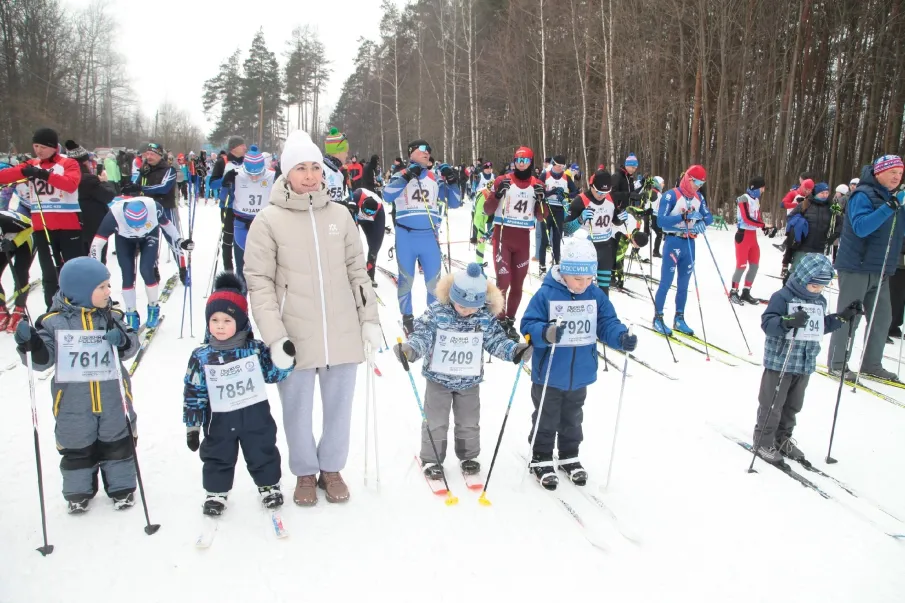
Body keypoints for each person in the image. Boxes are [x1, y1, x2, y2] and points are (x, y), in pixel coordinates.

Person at [244, 130, 383, 506]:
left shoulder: (339, 214)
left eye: (315, 168)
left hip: (341, 328)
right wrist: (274, 337)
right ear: (286, 171)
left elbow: (358, 269)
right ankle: (305, 471)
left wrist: (369, 318)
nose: (309, 175)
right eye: (300, 168)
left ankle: (332, 467)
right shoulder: (268, 220)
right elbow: (260, 284)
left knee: (340, 406)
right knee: (297, 409)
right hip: (295, 333)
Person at [13, 256, 140, 513]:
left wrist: (122, 341)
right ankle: (78, 492)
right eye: (102, 287)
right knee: (76, 445)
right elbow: (43, 361)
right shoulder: (53, 322)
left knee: (117, 442)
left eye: (108, 285)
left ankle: (122, 488)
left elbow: (131, 346)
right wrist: (31, 344)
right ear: (82, 290)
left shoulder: (112, 316)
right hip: (72, 401)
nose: (108, 291)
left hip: (112, 397)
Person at [519, 235, 637, 490]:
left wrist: (621, 336)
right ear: (564, 272)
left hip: (580, 370)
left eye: (588, 279)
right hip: (550, 371)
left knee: (573, 416)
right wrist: (546, 333)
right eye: (578, 279)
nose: (583, 284)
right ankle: (541, 456)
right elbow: (527, 325)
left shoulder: (594, 295)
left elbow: (606, 322)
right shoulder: (547, 294)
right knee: (546, 415)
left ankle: (569, 454)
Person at [393, 263, 531, 480]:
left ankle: (469, 456)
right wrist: (411, 349)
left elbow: (496, 340)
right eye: (461, 305)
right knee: (436, 421)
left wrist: (514, 351)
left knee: (468, 421)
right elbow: (423, 335)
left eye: (471, 307)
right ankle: (432, 459)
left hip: (469, 381)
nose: (466, 311)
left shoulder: (484, 317)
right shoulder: (437, 312)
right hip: (438, 380)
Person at [182, 272, 295, 516]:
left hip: (255, 416)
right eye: (214, 320)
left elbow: (272, 375)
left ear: (241, 321)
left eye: (227, 320)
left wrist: (284, 360)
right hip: (219, 420)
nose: (220, 325)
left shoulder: (254, 350)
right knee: (217, 455)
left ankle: (269, 486)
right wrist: (193, 426)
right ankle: (216, 492)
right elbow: (194, 392)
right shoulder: (201, 356)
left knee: (262, 450)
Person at [753, 254, 862, 464]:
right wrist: (788, 321)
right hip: (780, 362)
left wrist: (841, 317)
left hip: (804, 363)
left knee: (793, 405)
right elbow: (768, 324)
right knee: (772, 404)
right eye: (813, 286)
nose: (817, 290)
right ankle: (763, 440)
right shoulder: (783, 297)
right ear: (802, 279)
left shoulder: (819, 301)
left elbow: (818, 326)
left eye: (821, 287)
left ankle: (782, 438)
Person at [827, 155, 905, 381]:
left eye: (900, 174)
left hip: (881, 269)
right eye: (893, 173)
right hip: (856, 266)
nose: (897, 178)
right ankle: (837, 363)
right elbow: (861, 227)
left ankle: (872, 364)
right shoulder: (862, 194)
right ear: (879, 172)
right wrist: (890, 207)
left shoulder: (894, 199)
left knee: (882, 318)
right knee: (849, 316)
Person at [382, 139, 462, 335]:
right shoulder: (400, 174)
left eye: (429, 150)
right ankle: (407, 318)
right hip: (406, 236)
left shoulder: (435, 178)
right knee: (406, 280)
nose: (428, 152)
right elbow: (387, 195)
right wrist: (407, 176)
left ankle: (432, 318)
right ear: (411, 153)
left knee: (434, 284)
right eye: (423, 149)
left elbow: (455, 202)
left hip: (429, 237)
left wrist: (453, 182)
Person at [0, 127, 84, 309]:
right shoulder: (31, 164)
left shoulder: (68, 163)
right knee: (48, 273)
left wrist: (43, 175)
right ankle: (52, 311)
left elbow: (70, 184)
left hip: (68, 226)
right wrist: (24, 172)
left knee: (72, 270)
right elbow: (4, 177)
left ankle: (77, 308)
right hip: (42, 228)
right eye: (36, 146)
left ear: (54, 147)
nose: (39, 150)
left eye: (43, 147)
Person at [90, 197, 192, 330]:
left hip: (149, 236)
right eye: (134, 226)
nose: (137, 229)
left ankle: (153, 308)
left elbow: (167, 225)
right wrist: (95, 269)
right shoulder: (114, 215)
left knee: (146, 269)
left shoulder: (154, 208)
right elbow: (97, 243)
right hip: (124, 239)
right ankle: (131, 313)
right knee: (127, 275)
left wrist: (180, 240)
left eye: (141, 224)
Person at [482, 146, 547, 341]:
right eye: (518, 160)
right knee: (504, 281)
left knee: (518, 284)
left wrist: (542, 199)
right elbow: (487, 210)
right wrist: (497, 195)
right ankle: (498, 319)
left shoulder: (537, 183)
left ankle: (509, 321)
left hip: (522, 240)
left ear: (531, 162)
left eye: (525, 161)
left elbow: (541, 216)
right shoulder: (503, 180)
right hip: (502, 236)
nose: (521, 164)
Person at [652, 165, 713, 336]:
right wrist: (683, 217)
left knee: (684, 284)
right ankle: (658, 317)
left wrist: (702, 221)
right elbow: (661, 221)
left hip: (689, 243)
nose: (698, 186)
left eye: (702, 183)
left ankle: (679, 318)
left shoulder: (698, 197)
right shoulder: (671, 195)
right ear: (688, 178)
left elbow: (709, 216)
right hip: (673, 241)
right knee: (666, 282)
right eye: (696, 182)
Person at [564, 169, 632, 295]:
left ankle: (602, 313)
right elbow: (566, 229)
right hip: (585, 249)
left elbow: (614, 220)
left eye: (606, 192)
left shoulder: (611, 198)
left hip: (605, 248)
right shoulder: (580, 201)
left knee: (604, 289)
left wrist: (620, 219)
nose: (602, 195)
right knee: (582, 288)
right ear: (592, 186)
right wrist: (580, 219)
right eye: (599, 191)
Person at [230, 145, 274, 280]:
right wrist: (224, 181)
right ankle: (241, 296)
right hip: (241, 225)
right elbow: (215, 184)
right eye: (251, 174)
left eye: (258, 174)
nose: (254, 178)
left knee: (264, 268)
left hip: (263, 224)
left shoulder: (272, 175)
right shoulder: (236, 174)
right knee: (242, 269)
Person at [780, 182, 838, 281]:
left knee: (813, 274)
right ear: (816, 193)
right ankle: (786, 290)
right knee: (795, 271)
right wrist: (799, 224)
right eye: (822, 193)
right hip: (803, 244)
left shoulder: (833, 206)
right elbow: (790, 218)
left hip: (820, 246)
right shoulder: (805, 203)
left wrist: (836, 233)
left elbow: (842, 220)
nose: (825, 195)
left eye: (826, 192)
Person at [68, 140, 115, 262]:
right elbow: (108, 195)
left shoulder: (66, 177)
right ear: (84, 162)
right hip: (93, 224)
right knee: (97, 258)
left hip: (74, 224)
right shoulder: (88, 180)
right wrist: (105, 182)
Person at [209, 137, 247, 272]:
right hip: (228, 205)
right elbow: (212, 183)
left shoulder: (247, 162)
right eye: (242, 145)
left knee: (242, 239)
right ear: (234, 147)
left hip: (244, 207)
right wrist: (225, 180)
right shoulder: (222, 162)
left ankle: (242, 269)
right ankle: (228, 269)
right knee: (228, 237)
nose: (245, 147)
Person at [538, 156, 580, 273]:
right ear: (553, 164)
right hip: (546, 209)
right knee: (545, 239)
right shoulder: (545, 175)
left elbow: (575, 192)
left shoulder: (566, 177)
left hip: (559, 210)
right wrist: (551, 192)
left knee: (557, 239)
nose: (560, 169)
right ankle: (542, 265)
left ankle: (556, 264)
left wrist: (565, 196)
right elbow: (538, 192)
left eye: (562, 167)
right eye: (558, 166)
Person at [730, 176, 768, 304]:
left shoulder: (756, 200)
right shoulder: (743, 198)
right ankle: (733, 291)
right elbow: (746, 218)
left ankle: (746, 291)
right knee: (741, 266)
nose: (763, 190)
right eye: (762, 188)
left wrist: (765, 228)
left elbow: (757, 217)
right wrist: (762, 225)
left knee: (754, 266)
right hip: (743, 235)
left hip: (753, 237)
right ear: (756, 188)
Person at [0, 207, 34, 332]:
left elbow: (31, 227)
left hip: (24, 235)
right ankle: (1, 310)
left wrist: (14, 243)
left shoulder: (4, 220)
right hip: (4, 241)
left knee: (20, 271)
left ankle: (19, 309)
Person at [348, 188, 386, 287]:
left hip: (373, 220)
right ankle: (352, 273)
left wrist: (369, 214)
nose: (367, 214)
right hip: (356, 216)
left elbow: (378, 235)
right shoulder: (357, 196)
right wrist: (349, 206)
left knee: (375, 247)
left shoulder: (379, 208)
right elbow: (340, 205)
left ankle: (370, 275)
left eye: (370, 212)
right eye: (366, 211)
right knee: (352, 245)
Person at [323, 127, 351, 204]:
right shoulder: (321, 170)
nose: (347, 155)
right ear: (339, 151)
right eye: (346, 152)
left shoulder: (338, 173)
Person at [471, 179, 493, 265]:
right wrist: (476, 233)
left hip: (488, 215)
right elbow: (477, 216)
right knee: (481, 241)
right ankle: (479, 264)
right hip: (480, 217)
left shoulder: (493, 193)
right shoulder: (483, 194)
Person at [650, 176, 665, 257]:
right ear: (658, 184)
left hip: (655, 216)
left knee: (659, 234)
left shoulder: (658, 192)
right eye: (662, 183)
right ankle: (635, 250)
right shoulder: (654, 192)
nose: (663, 184)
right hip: (651, 216)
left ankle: (656, 251)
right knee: (646, 234)